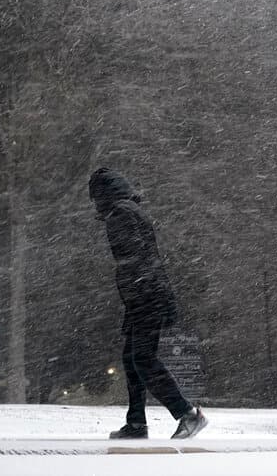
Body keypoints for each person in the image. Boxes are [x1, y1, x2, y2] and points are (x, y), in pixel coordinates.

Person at [88, 167, 207, 440]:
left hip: (145, 297)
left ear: (104, 194)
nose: (95, 205)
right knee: (132, 360)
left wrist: (139, 292)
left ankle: (187, 414)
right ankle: (136, 424)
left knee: (142, 359)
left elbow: (134, 258)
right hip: (145, 296)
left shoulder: (120, 214)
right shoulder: (130, 210)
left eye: (95, 198)